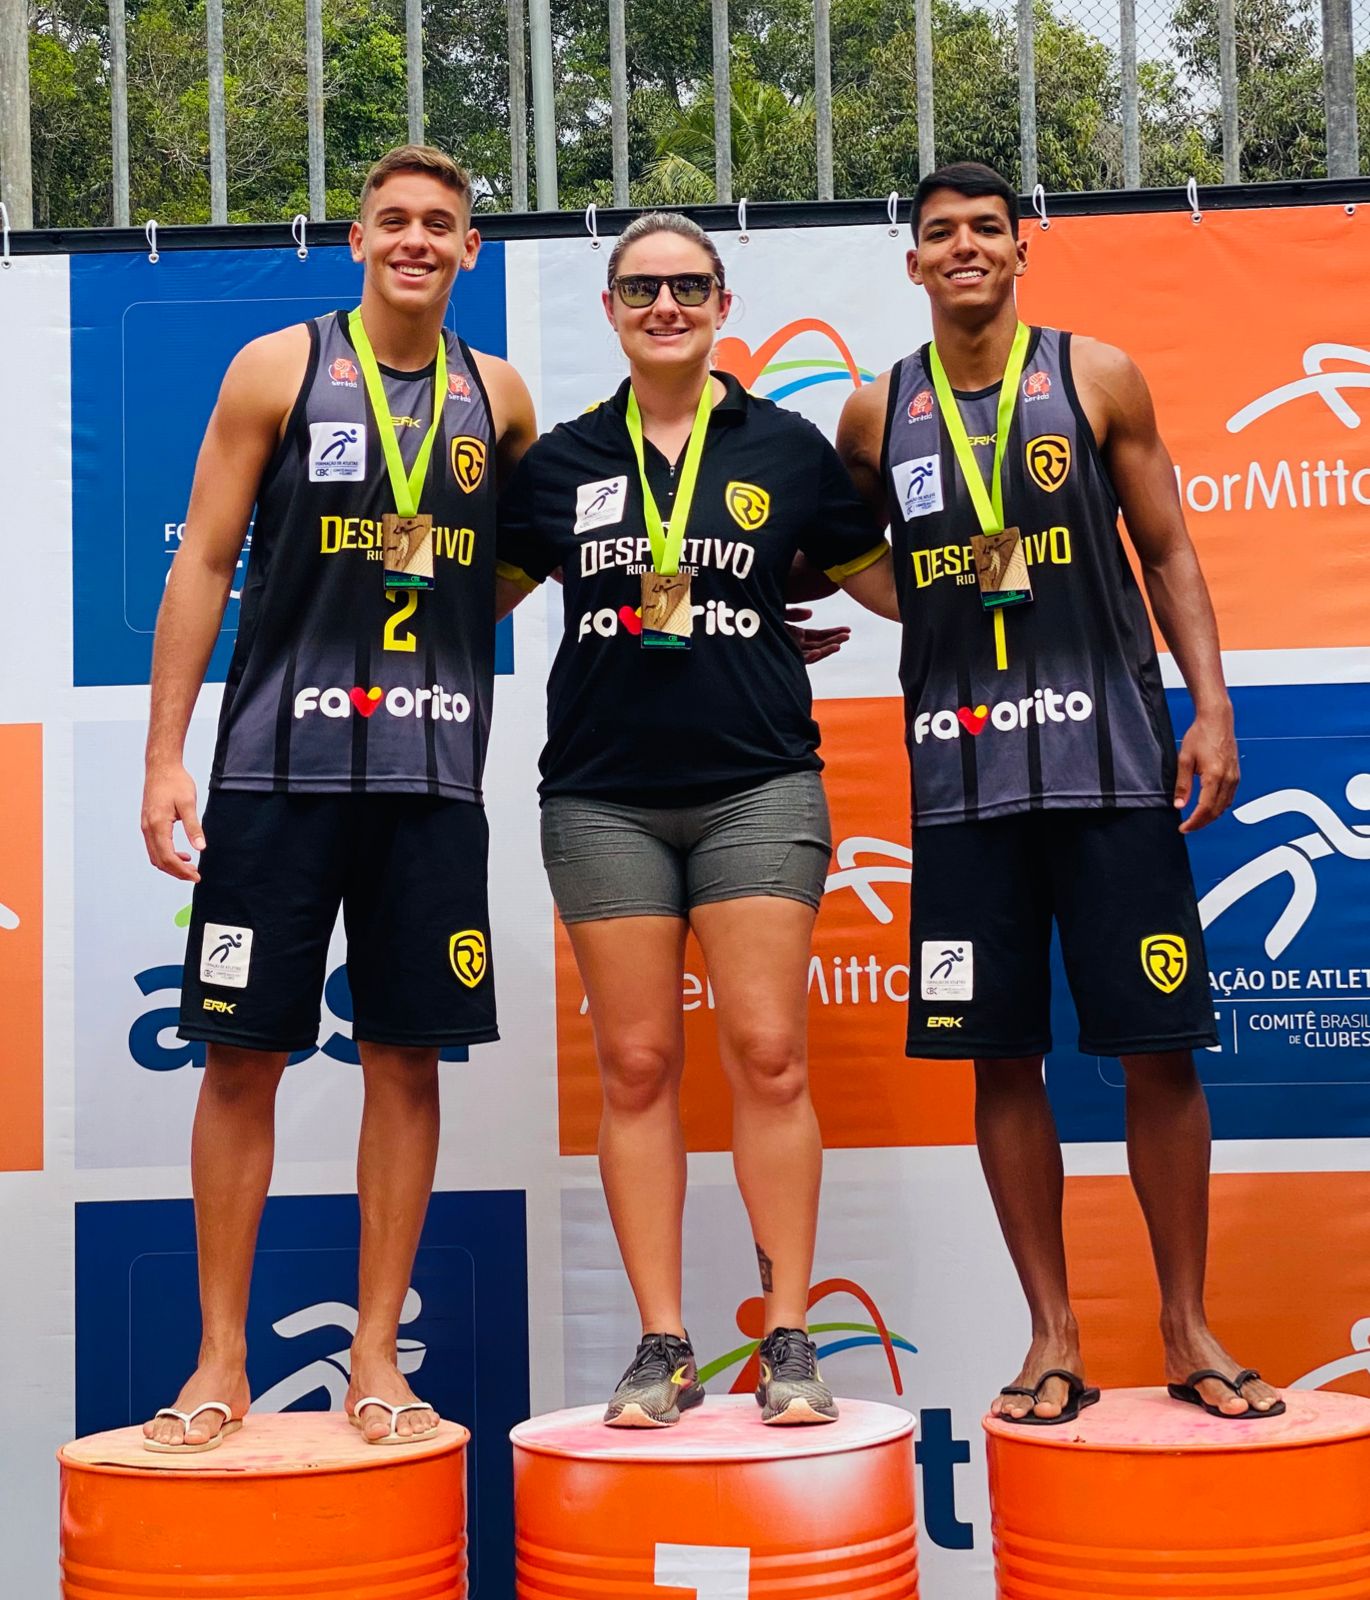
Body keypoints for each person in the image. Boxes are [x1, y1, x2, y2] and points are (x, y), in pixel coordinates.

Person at [837, 162, 1284, 1425]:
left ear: (1020, 247)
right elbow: (847, 550)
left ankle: (1186, 1325)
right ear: (911, 261)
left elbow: (1167, 547)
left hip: (1108, 768)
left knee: (1157, 1051)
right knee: (998, 1060)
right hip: (963, 782)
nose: (964, 247)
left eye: (986, 228)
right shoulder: (875, 414)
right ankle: (1052, 1336)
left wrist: (1209, 705)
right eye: (939, 234)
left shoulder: (1096, 375)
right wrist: (904, 605)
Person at [139, 145, 537, 1450]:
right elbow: (202, 560)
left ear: (470, 250)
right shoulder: (276, 368)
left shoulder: (503, 398)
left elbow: (518, 561)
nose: (416, 239)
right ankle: (217, 1361)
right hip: (272, 771)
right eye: (394, 221)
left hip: (427, 777)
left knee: (403, 1056)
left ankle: (376, 1357)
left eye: (441, 224)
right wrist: (162, 758)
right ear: (356, 240)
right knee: (240, 1056)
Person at [495, 212, 898, 1426]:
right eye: (639, 288)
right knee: (633, 1064)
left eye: (686, 286)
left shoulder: (783, 447)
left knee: (768, 1054)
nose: (663, 305)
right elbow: (477, 597)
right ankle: (660, 1342)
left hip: (755, 783)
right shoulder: (560, 460)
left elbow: (873, 576)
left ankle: (786, 1340)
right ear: (610, 310)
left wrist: (1029, 572)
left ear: (723, 302)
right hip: (602, 791)